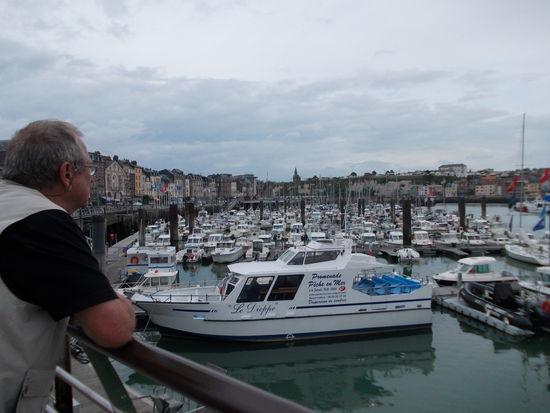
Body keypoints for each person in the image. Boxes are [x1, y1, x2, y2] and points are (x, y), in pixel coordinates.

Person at [0, 120, 135, 413]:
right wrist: (115, 299)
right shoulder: (41, 222)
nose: (91, 177)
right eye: (90, 169)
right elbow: (113, 328)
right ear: (66, 174)